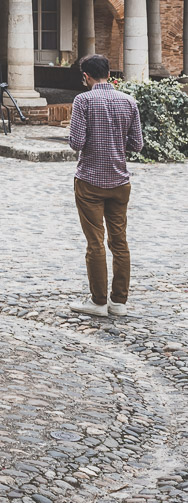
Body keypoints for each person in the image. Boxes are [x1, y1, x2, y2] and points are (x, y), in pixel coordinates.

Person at [68, 53, 143, 318]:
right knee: (119, 242)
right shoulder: (128, 101)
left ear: (86, 76)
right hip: (120, 181)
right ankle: (119, 302)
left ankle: (98, 301)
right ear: (109, 73)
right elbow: (137, 145)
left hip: (89, 180)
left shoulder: (83, 100)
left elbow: (76, 142)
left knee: (95, 243)